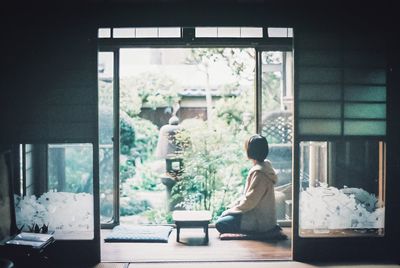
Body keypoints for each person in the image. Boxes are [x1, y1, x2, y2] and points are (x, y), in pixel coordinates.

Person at [215, 134, 278, 234]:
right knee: (226, 216)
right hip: (262, 216)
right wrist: (234, 205)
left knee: (220, 223)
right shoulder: (265, 166)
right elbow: (249, 197)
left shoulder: (260, 173)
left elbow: (250, 201)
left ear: (251, 151)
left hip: (259, 220)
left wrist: (231, 210)